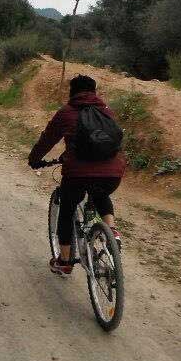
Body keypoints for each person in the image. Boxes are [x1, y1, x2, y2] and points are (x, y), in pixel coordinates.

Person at [28, 74, 125, 275]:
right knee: (100, 195)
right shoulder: (107, 111)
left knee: (67, 209)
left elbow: (48, 139)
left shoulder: (66, 112)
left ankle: (65, 261)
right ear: (94, 92)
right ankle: (112, 232)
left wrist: (34, 159)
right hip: (112, 173)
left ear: (72, 92)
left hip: (78, 175)